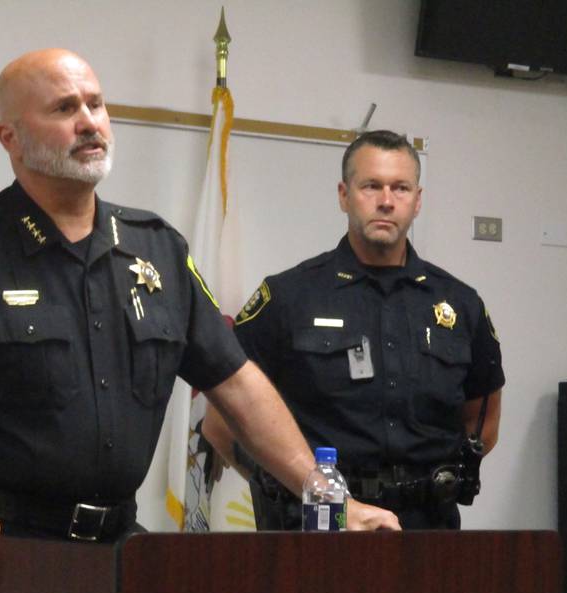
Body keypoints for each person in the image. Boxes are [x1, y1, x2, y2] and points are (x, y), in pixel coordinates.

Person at [0, 50, 399, 593]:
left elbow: (239, 385)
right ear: (9, 138)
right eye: (64, 109)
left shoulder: (156, 250)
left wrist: (326, 496)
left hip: (121, 556)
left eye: (96, 104)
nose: (88, 122)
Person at [204, 129, 504, 531]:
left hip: (427, 532)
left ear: (418, 202)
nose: (385, 200)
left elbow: (482, 421)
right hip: (317, 529)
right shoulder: (288, 297)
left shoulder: (460, 304)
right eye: (371, 186)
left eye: (400, 188)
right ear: (344, 195)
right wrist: (287, 486)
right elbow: (221, 423)